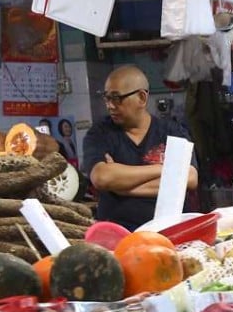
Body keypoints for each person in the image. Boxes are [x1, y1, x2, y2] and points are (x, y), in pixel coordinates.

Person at [82, 65, 198, 231]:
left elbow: (191, 177)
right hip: (117, 234)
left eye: (117, 98)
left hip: (170, 231)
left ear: (142, 98)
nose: (110, 106)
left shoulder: (172, 131)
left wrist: (121, 187)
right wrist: (166, 169)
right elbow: (102, 177)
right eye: (106, 98)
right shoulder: (100, 134)